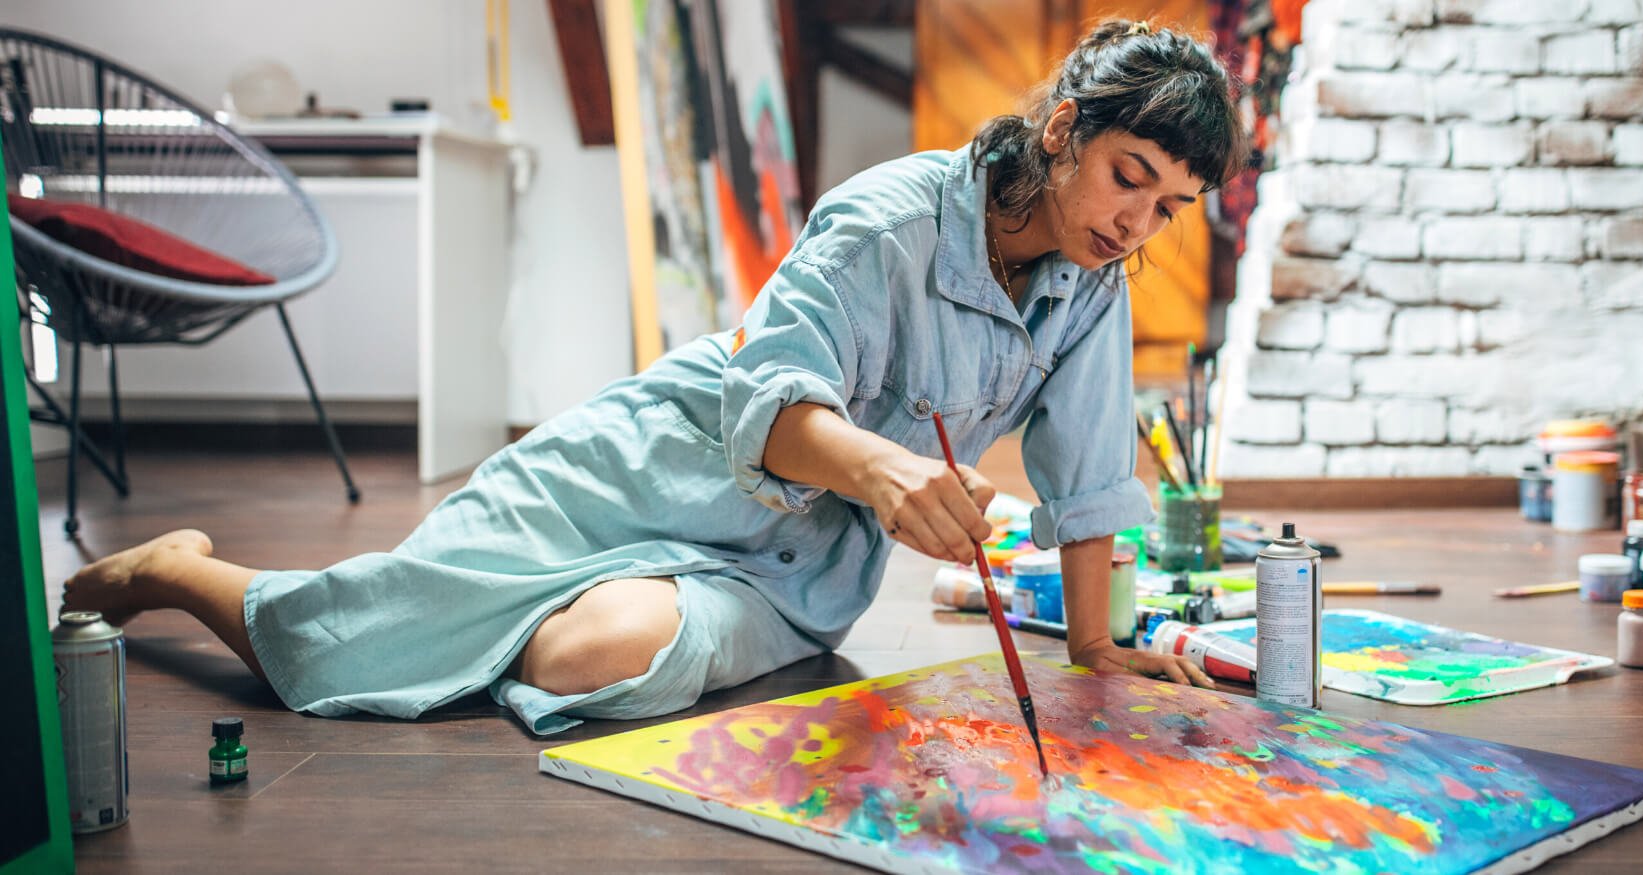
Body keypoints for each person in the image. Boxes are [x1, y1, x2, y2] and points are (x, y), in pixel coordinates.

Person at [63, 19, 1248, 735]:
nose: (1134, 221)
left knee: (599, 659)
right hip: (646, 466)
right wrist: (887, 471)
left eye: (1168, 206)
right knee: (343, 645)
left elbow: (1091, 479)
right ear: (1059, 133)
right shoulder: (886, 221)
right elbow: (768, 396)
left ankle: (499, 623)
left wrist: (1096, 652)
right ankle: (185, 570)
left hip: (792, 561)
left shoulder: (1094, 284)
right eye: (1125, 174)